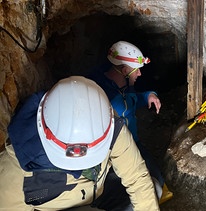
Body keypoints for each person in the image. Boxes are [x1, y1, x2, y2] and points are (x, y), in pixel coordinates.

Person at [0, 76, 160, 211]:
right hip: (62, 206)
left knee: (152, 191)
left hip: (95, 191)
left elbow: (137, 178)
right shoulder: (12, 178)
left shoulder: (105, 123)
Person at [89, 41, 173, 204]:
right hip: (110, 153)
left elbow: (131, 100)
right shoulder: (100, 95)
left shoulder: (125, 87)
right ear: (125, 70)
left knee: (160, 186)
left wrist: (148, 95)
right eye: (137, 70)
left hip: (134, 144)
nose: (140, 74)